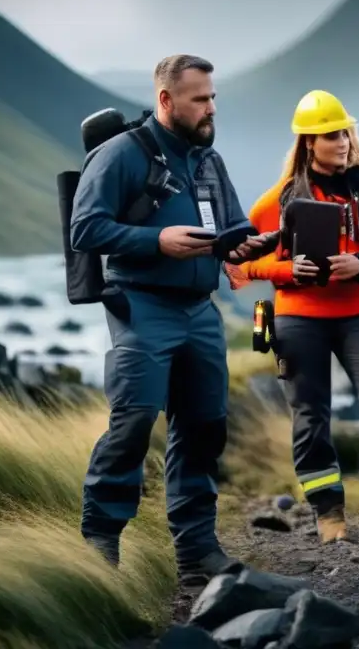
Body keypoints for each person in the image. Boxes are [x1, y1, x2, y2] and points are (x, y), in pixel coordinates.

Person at [70, 54, 270, 584]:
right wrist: (156, 240)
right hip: (141, 304)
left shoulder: (209, 160)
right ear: (166, 100)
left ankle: (197, 554)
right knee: (134, 420)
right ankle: (99, 550)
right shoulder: (119, 156)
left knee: (205, 427)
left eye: (212, 98)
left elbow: (232, 221)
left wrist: (244, 242)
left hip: (200, 310)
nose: (210, 109)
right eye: (199, 99)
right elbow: (85, 230)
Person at [225, 90, 359, 544]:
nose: (343, 142)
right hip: (298, 317)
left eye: (345, 133)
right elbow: (236, 267)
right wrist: (285, 270)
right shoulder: (278, 200)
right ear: (309, 142)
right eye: (332, 135)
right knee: (311, 413)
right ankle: (328, 512)